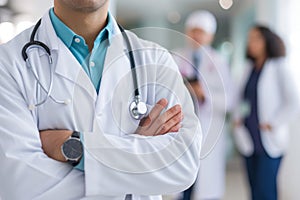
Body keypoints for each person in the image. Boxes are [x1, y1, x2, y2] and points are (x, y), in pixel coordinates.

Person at [0, 0, 202, 199]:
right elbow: (17, 185)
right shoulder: (7, 63)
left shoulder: (156, 60)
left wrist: (74, 147)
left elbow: (183, 163)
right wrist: (136, 175)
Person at [233, 25, 300, 200]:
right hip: (249, 137)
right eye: (249, 39)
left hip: (269, 138)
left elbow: (293, 102)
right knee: (254, 190)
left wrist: (274, 122)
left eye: (256, 38)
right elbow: (242, 98)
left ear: (267, 40)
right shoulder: (249, 68)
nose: (251, 43)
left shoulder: (279, 66)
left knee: (266, 191)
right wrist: (238, 117)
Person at [173, 10, 234, 200]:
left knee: (205, 183)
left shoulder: (219, 62)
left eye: (201, 31)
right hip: (182, 126)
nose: (196, 36)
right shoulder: (176, 57)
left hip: (208, 127)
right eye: (193, 30)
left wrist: (204, 95)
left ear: (210, 35)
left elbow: (229, 100)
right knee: (182, 180)